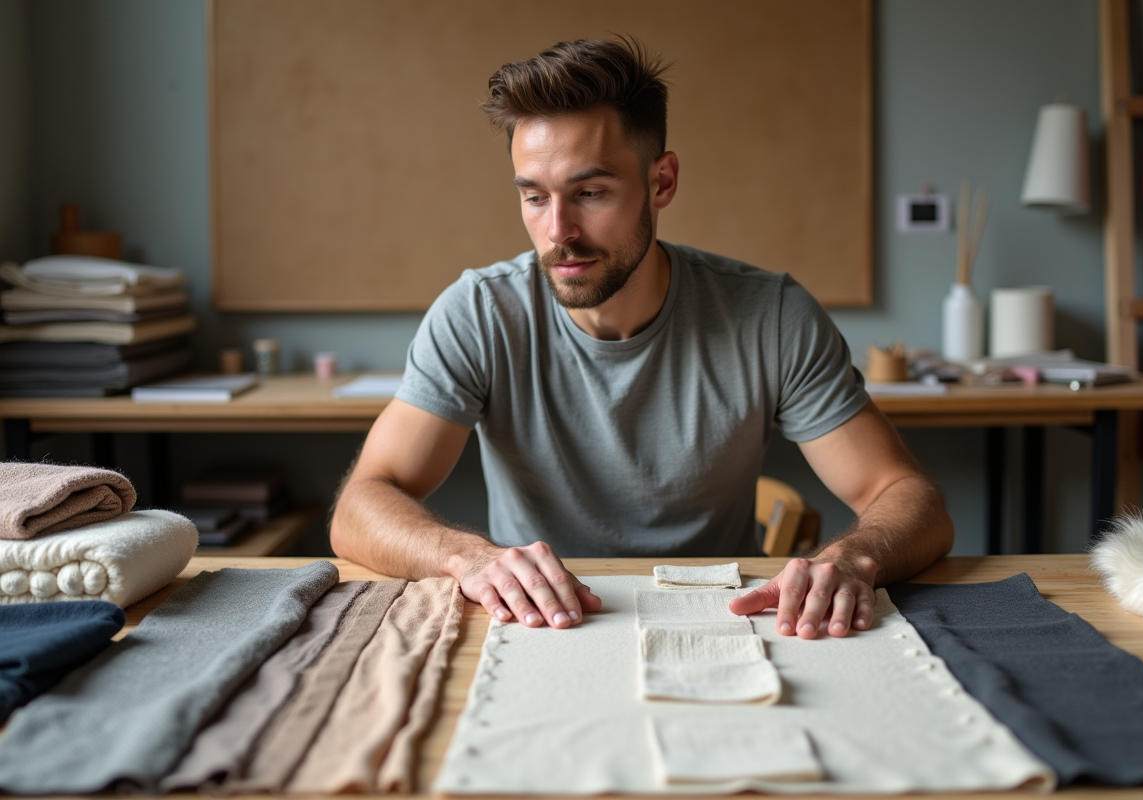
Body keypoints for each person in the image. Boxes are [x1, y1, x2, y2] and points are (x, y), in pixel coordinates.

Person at [330, 37, 953, 639]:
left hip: (724, 622)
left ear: (662, 182)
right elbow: (363, 502)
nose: (559, 231)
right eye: (534, 197)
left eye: (590, 193)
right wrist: (467, 558)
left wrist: (853, 559)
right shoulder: (478, 312)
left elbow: (905, 493)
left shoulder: (772, 314)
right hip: (538, 629)